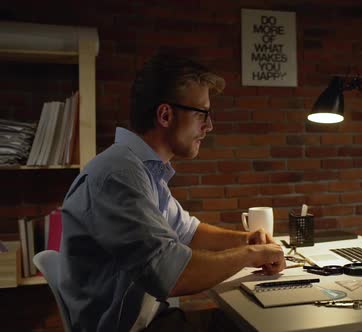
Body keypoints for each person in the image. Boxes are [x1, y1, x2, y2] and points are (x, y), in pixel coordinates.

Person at [59, 53, 286, 332]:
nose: (209, 126)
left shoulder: (143, 169)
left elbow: (188, 232)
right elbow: (172, 275)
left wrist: (245, 239)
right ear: (165, 115)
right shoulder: (119, 175)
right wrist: (250, 254)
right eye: (202, 113)